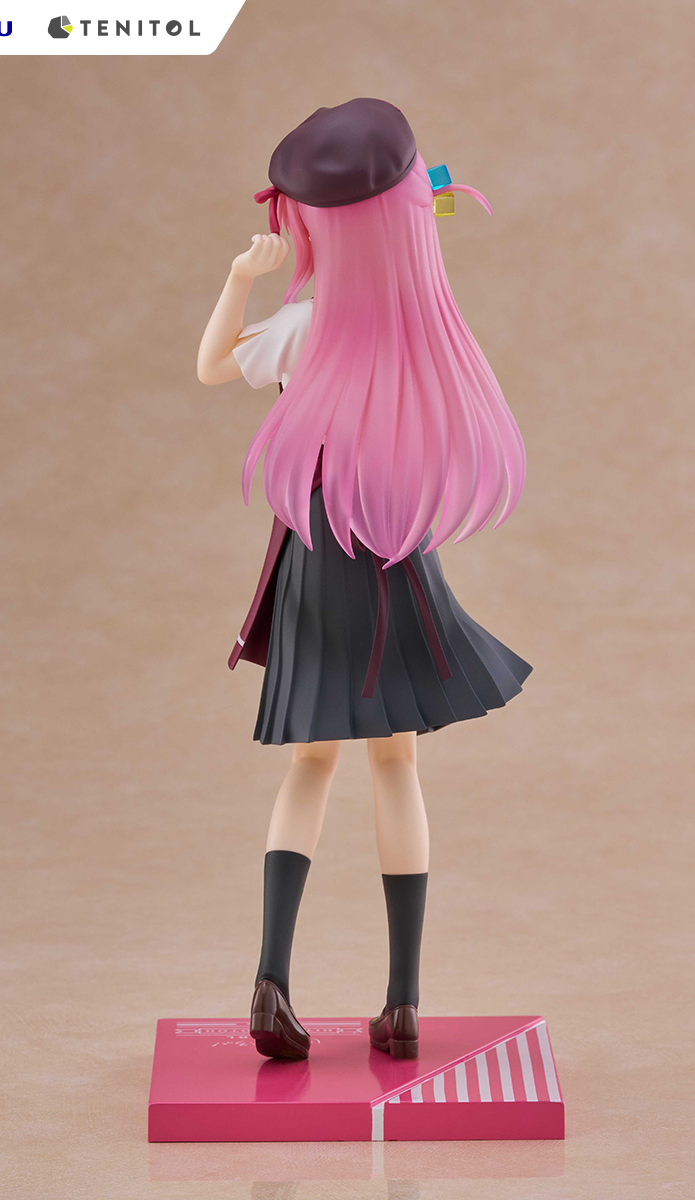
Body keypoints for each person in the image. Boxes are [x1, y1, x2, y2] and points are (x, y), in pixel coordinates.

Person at [197, 98, 531, 1062]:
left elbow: (213, 366)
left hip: (316, 553)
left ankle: (270, 981)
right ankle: (402, 1002)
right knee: (396, 763)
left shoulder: (305, 326)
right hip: (393, 551)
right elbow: (418, 212)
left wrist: (239, 277)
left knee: (310, 764)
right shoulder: (420, 329)